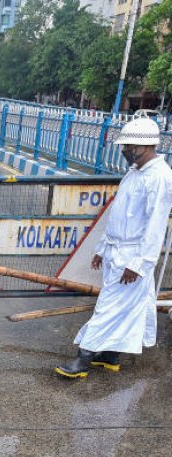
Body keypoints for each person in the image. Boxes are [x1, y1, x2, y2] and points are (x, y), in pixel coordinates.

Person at [55, 117, 172, 378]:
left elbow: (155, 227)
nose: (124, 150)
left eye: (129, 146)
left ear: (144, 146)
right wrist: (102, 247)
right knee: (123, 309)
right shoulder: (135, 173)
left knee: (108, 308)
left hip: (133, 257)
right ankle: (110, 356)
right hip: (116, 252)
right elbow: (117, 215)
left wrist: (139, 265)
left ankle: (83, 359)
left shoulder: (160, 177)